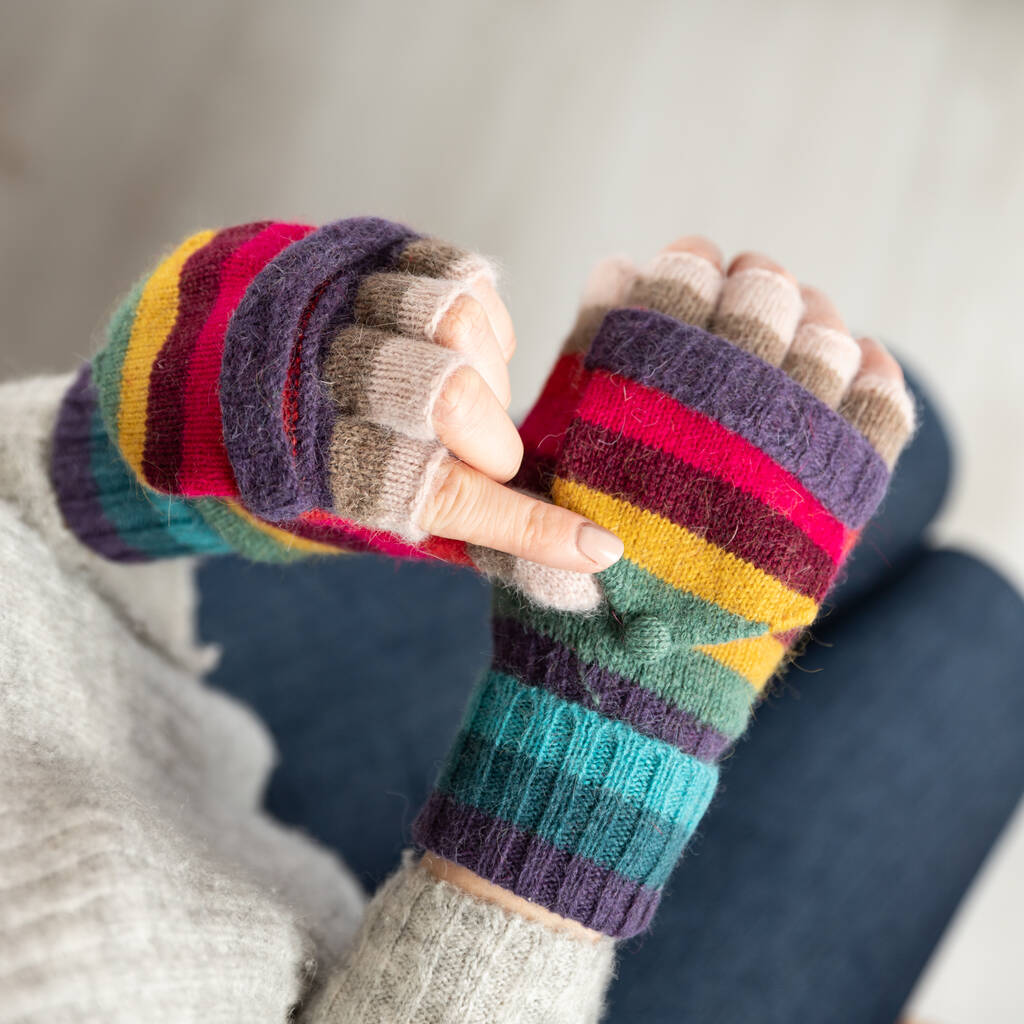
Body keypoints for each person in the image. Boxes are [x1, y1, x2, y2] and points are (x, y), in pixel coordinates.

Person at [1, 218, 1020, 1023]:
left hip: (161, 710)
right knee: (979, 637)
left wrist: (133, 459)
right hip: (472, 951)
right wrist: (588, 758)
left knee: (853, 444)